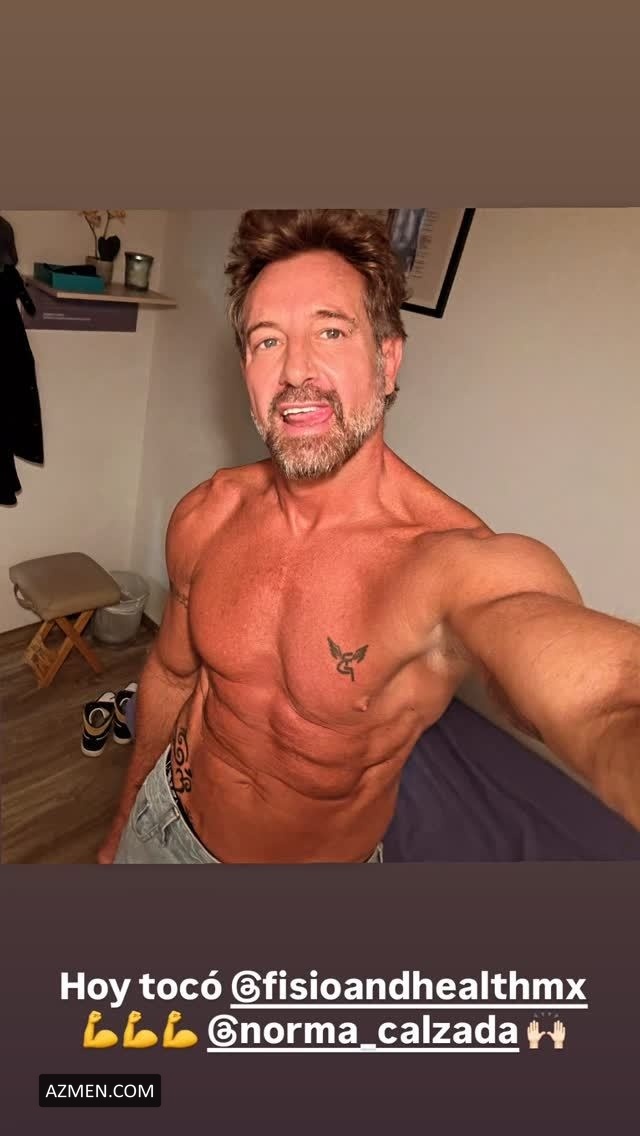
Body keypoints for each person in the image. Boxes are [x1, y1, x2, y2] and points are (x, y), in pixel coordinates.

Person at [99, 209, 640, 865]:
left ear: (387, 359)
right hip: (163, 829)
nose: (296, 370)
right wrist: (126, 816)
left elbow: (607, 697)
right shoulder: (206, 515)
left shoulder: (448, 564)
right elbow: (170, 674)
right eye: (267, 341)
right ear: (245, 369)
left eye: (330, 331)